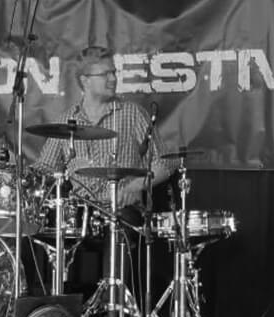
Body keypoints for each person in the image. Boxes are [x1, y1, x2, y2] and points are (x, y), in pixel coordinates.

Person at [36, 45, 172, 211]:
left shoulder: (131, 113)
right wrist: (16, 175)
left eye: (114, 72)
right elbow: (44, 169)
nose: (113, 79)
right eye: (105, 74)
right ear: (85, 81)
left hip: (124, 210)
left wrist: (134, 187)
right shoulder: (67, 121)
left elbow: (165, 163)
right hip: (82, 213)